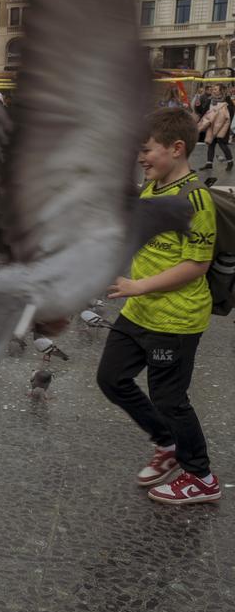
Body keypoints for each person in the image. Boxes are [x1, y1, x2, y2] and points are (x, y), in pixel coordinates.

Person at [98, 107, 220, 504]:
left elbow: (197, 265)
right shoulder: (154, 187)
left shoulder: (196, 199)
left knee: (170, 398)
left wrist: (139, 285)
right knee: (111, 378)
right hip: (140, 309)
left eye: (147, 150)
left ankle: (201, 476)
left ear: (177, 148)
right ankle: (168, 443)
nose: (140, 157)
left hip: (177, 319)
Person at [198, 86, 233, 171]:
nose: (213, 91)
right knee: (211, 144)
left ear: (221, 91)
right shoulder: (210, 100)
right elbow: (203, 111)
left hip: (222, 125)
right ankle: (209, 163)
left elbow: (231, 112)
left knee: (222, 143)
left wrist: (223, 121)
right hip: (212, 125)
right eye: (213, 89)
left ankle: (230, 162)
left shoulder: (227, 100)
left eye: (215, 89)